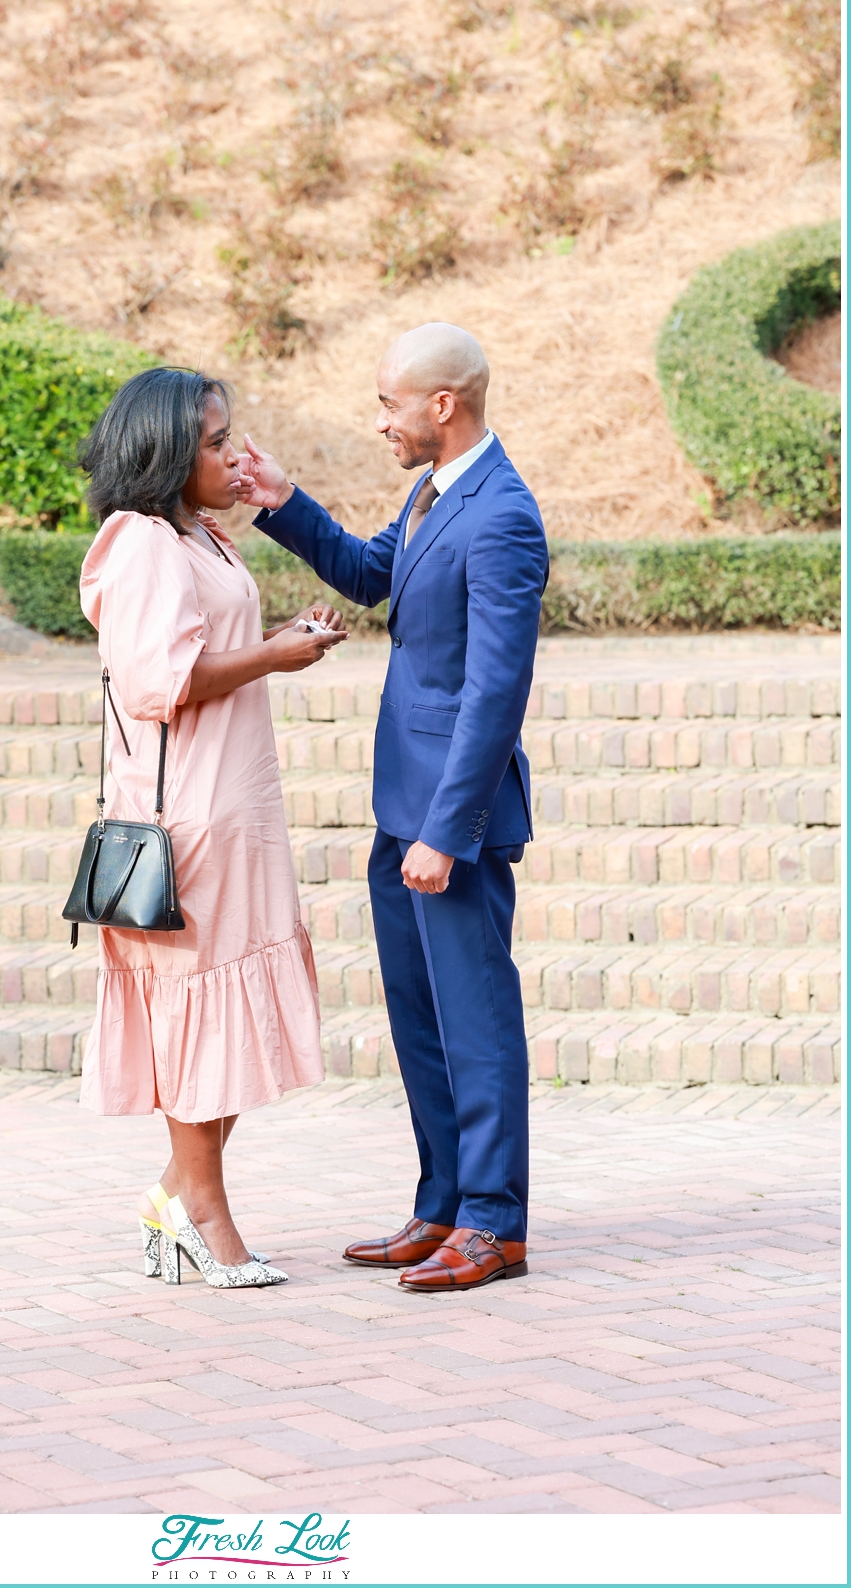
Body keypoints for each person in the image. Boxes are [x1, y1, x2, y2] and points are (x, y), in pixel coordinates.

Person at [235, 322, 548, 1294]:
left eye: (389, 404)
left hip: (449, 821)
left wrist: (445, 835)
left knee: (476, 1015)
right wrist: (283, 504)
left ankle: (496, 1222)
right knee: (421, 1016)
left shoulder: (502, 515)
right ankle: (443, 1201)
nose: (381, 422)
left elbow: (497, 692)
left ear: (441, 406)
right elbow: (374, 576)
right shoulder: (430, 491)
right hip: (399, 806)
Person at [77, 366, 346, 1291]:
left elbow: (208, 650)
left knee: (228, 1020)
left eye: (231, 437)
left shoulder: (201, 535)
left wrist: (283, 636)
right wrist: (277, 655)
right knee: (200, 1022)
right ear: (164, 452)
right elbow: (163, 681)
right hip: (186, 816)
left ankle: (171, 1197)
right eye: (215, 441)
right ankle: (203, 1214)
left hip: (237, 809)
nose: (233, 455)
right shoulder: (142, 542)